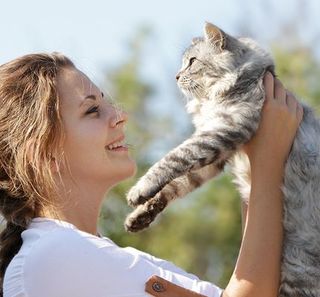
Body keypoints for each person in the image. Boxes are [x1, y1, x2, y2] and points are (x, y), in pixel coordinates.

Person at [0, 53, 303, 297]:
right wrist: (266, 163)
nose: (120, 115)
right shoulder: (56, 256)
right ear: (44, 154)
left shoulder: (97, 259)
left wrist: (250, 153)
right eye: (92, 111)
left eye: (107, 101)